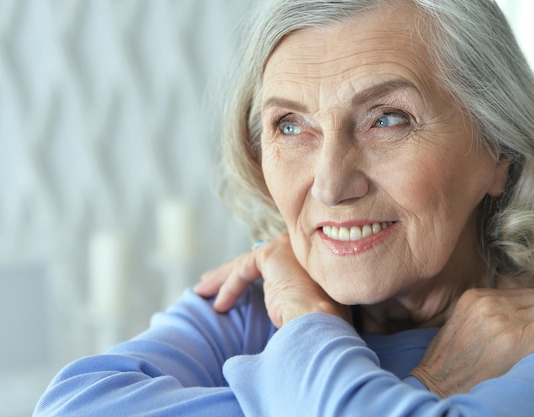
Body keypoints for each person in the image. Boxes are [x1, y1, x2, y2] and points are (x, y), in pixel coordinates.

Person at [33, 0, 534, 415]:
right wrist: (429, 382)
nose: (330, 185)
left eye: (388, 119)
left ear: (499, 149)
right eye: (291, 126)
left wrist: (303, 325)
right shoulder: (264, 295)